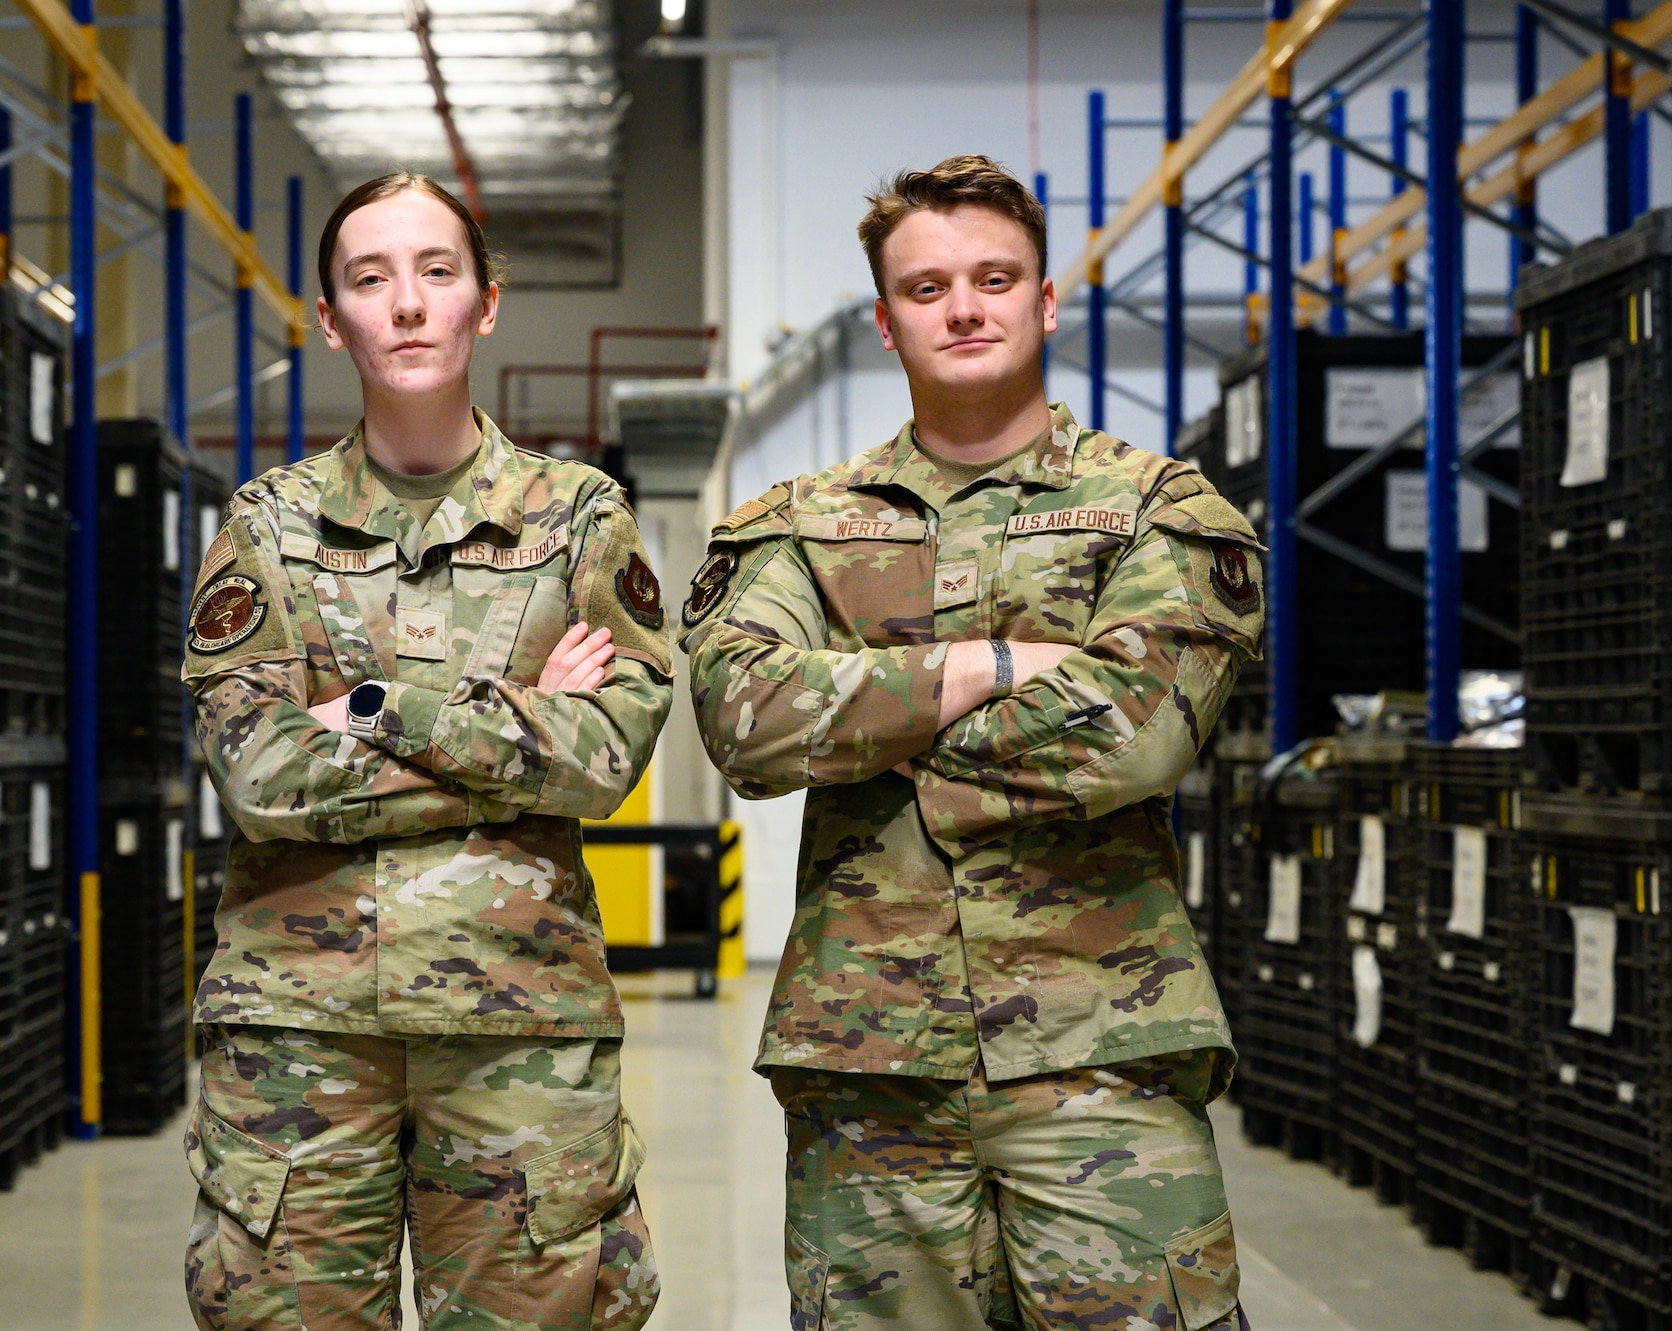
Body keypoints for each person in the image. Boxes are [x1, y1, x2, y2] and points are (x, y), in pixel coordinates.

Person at [680, 155, 1264, 1331]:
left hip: (1101, 1046)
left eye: (994, 278)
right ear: (887, 322)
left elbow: (1134, 737)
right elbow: (740, 717)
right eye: (926, 286)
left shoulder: (1161, 508)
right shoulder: (794, 523)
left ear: (1043, 301)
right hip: (866, 1059)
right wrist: (984, 666)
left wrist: (862, 724)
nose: (964, 306)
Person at [180, 170, 669, 1331]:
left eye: (435, 272)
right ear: (330, 315)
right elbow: (258, 778)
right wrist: (512, 721)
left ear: (483, 303)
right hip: (298, 1038)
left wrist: (366, 708)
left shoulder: (577, 515)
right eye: (370, 277)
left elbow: (603, 758)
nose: (405, 303)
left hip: (520, 1038)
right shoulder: (267, 524)